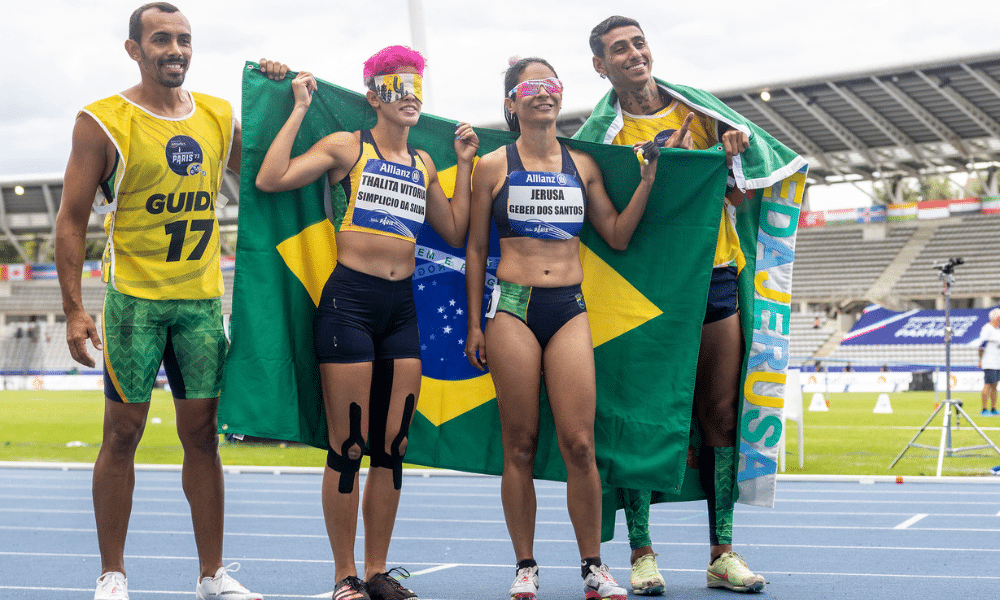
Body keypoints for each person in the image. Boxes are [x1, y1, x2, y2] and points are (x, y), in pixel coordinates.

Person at [54, 4, 288, 600]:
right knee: (122, 434)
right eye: (162, 39)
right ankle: (112, 573)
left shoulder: (215, 114)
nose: (176, 49)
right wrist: (75, 309)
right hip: (134, 303)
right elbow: (70, 222)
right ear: (134, 49)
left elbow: (271, 172)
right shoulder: (103, 120)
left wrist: (280, 99)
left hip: (202, 304)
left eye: (184, 39)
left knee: (203, 435)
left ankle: (212, 576)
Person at [254, 46, 478, 600]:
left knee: (394, 444)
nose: (412, 98)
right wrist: (300, 106)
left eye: (418, 87)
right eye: (399, 87)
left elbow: (453, 229)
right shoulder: (347, 147)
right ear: (375, 95)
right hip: (349, 303)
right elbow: (270, 177)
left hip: (402, 309)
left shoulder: (424, 163)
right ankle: (344, 575)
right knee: (348, 444)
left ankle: (377, 571)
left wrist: (466, 165)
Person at [574, 15, 768, 595]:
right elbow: (596, 224)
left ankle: (722, 552)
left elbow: (736, 192)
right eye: (618, 49)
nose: (633, 53)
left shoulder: (703, 114)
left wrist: (734, 152)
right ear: (600, 65)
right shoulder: (599, 138)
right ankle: (641, 553)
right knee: (640, 415)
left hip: (713, 276)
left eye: (638, 43)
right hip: (643, 292)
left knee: (719, 413)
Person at [464, 57, 660, 600]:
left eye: (550, 83)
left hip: (569, 307)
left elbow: (617, 235)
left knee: (579, 443)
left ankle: (593, 567)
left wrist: (645, 180)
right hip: (513, 309)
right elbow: (476, 246)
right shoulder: (491, 166)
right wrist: (476, 325)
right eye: (530, 86)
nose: (543, 93)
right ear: (512, 103)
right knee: (519, 444)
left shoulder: (584, 165)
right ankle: (525, 565)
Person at [978, 308, 1000, 416]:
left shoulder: (997, 330)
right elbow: (981, 346)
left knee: (995, 385)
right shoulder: (987, 328)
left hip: (997, 362)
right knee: (988, 385)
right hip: (989, 361)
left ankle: (993, 408)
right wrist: (980, 360)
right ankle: (984, 409)